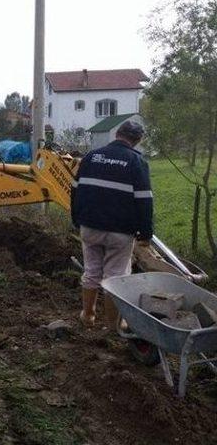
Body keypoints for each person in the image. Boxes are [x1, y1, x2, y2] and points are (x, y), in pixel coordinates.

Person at [71, 120, 153, 328]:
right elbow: (144, 200)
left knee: (91, 271)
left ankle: (88, 315)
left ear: (117, 133)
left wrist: (76, 220)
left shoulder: (91, 157)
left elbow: (75, 190)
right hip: (120, 232)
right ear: (138, 140)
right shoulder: (136, 162)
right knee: (115, 278)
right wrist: (146, 234)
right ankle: (113, 325)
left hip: (89, 226)